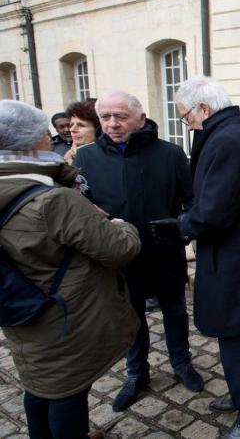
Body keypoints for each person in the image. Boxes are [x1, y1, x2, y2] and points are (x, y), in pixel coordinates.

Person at [0, 100, 140, 439]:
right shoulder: (53, 200)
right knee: (66, 392)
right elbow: (120, 248)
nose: (52, 138)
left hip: (20, 309)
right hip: (62, 317)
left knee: (38, 386)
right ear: (31, 142)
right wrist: (122, 224)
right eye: (45, 134)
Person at [73, 91, 203, 412]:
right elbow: (79, 206)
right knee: (131, 317)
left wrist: (181, 229)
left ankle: (181, 362)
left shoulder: (171, 154)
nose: (113, 124)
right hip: (118, 257)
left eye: (121, 116)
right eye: (106, 117)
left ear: (140, 118)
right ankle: (136, 373)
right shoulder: (86, 158)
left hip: (165, 253)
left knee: (175, 311)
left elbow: (192, 202)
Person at [172, 76, 240, 439]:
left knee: (233, 333)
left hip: (235, 259)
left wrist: (179, 226)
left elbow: (213, 214)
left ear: (204, 109)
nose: (187, 123)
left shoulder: (226, 141)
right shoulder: (231, 134)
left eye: (186, 116)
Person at [63, 100, 100, 165]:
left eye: (81, 125)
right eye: (71, 125)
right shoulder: (68, 157)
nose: (72, 129)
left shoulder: (112, 157)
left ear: (99, 129)